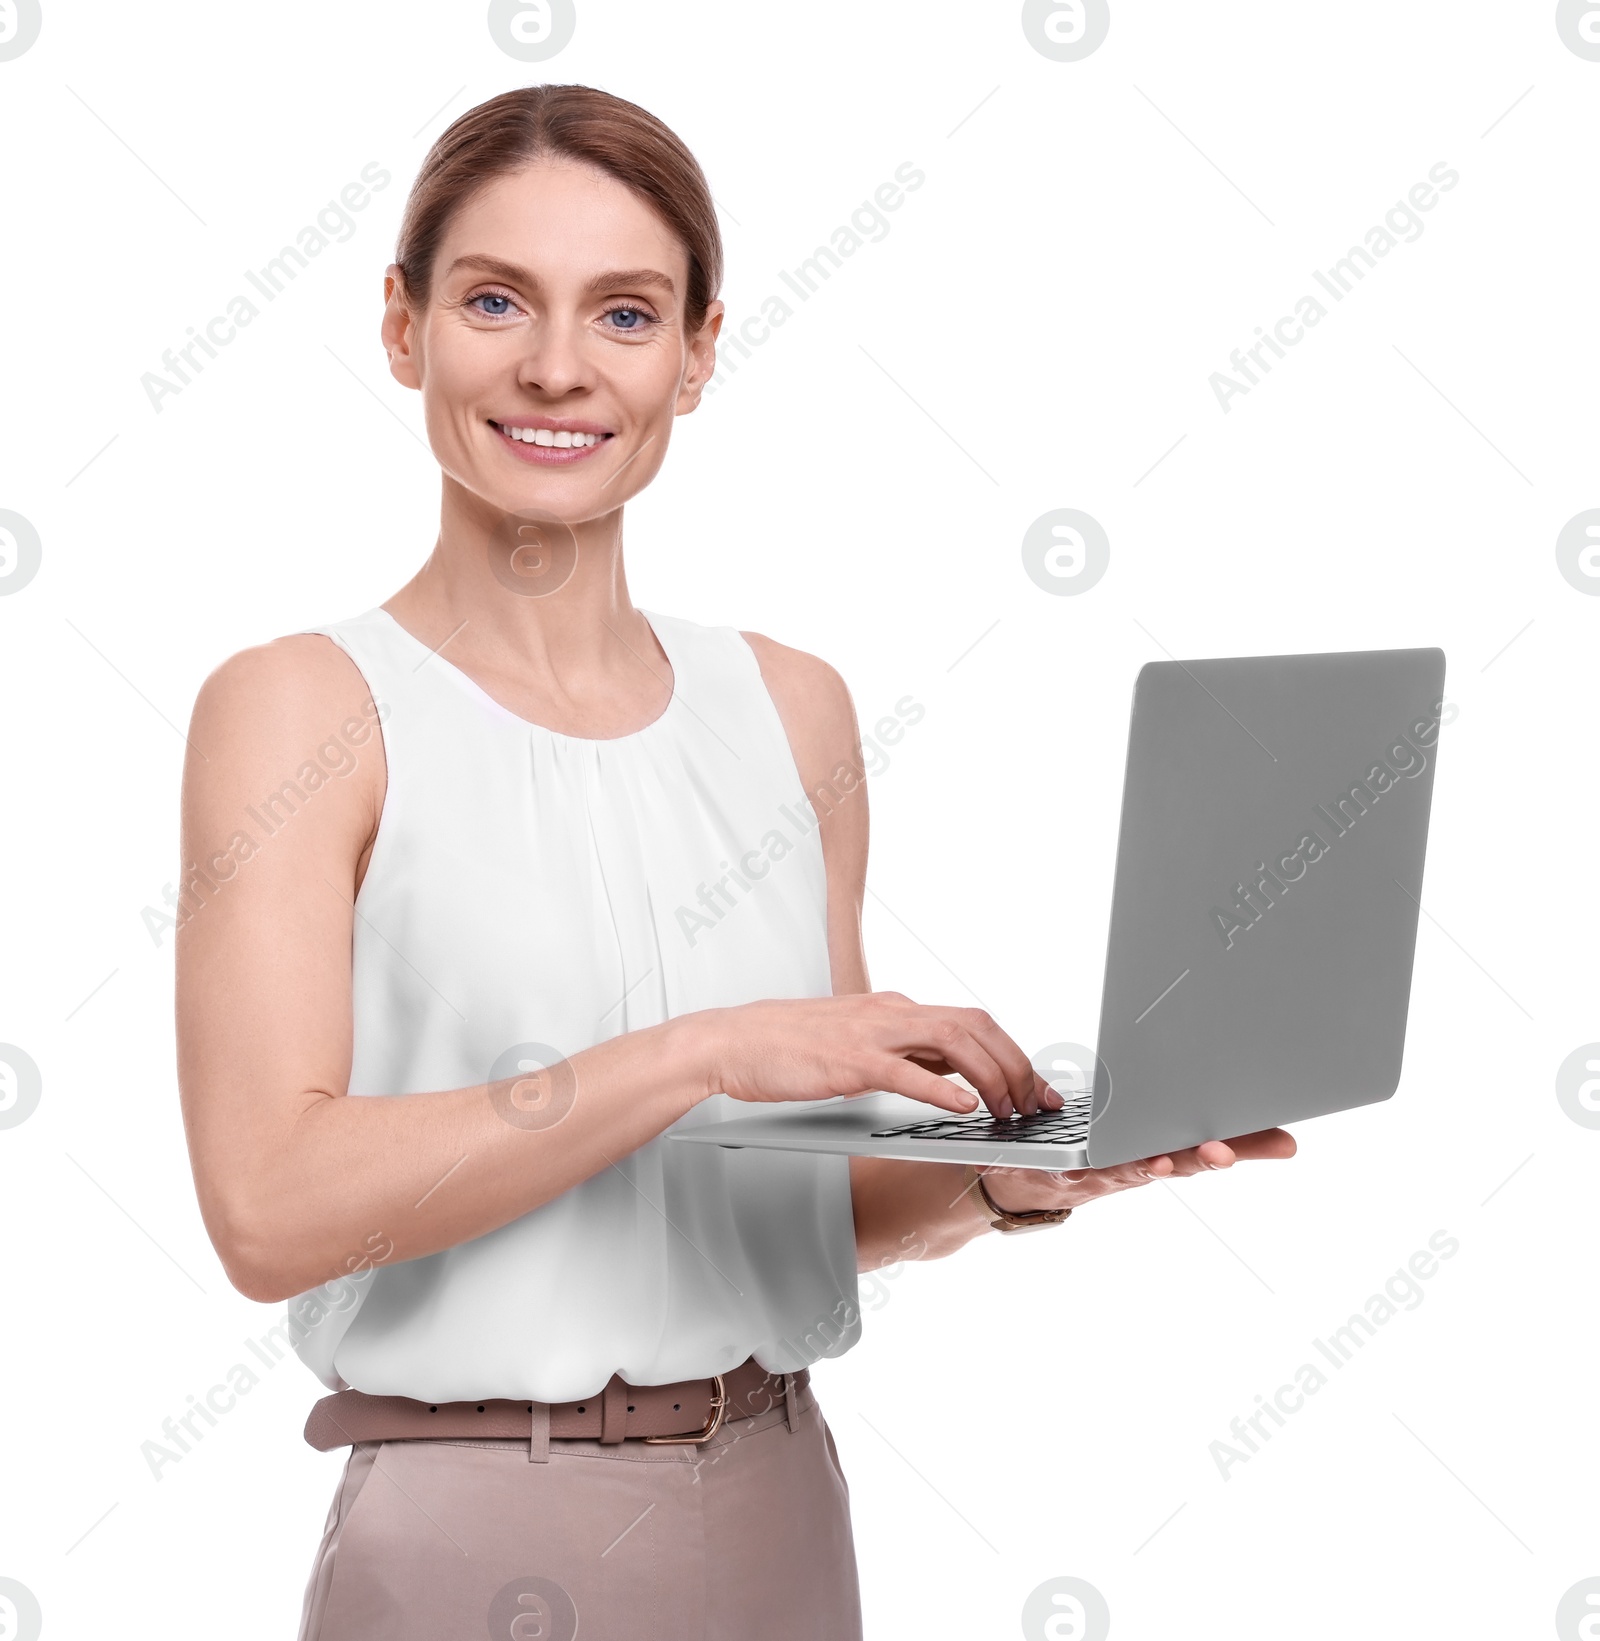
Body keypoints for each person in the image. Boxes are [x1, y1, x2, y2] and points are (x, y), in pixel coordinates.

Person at [174, 84, 1294, 1641]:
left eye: (624, 312)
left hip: (778, 1493)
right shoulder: (301, 708)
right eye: (495, 298)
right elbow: (268, 1207)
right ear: (401, 324)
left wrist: (1012, 1176)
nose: (557, 366)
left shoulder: (791, 708)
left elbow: (800, 1197)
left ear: (697, 351)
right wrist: (708, 1049)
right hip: (478, 1524)